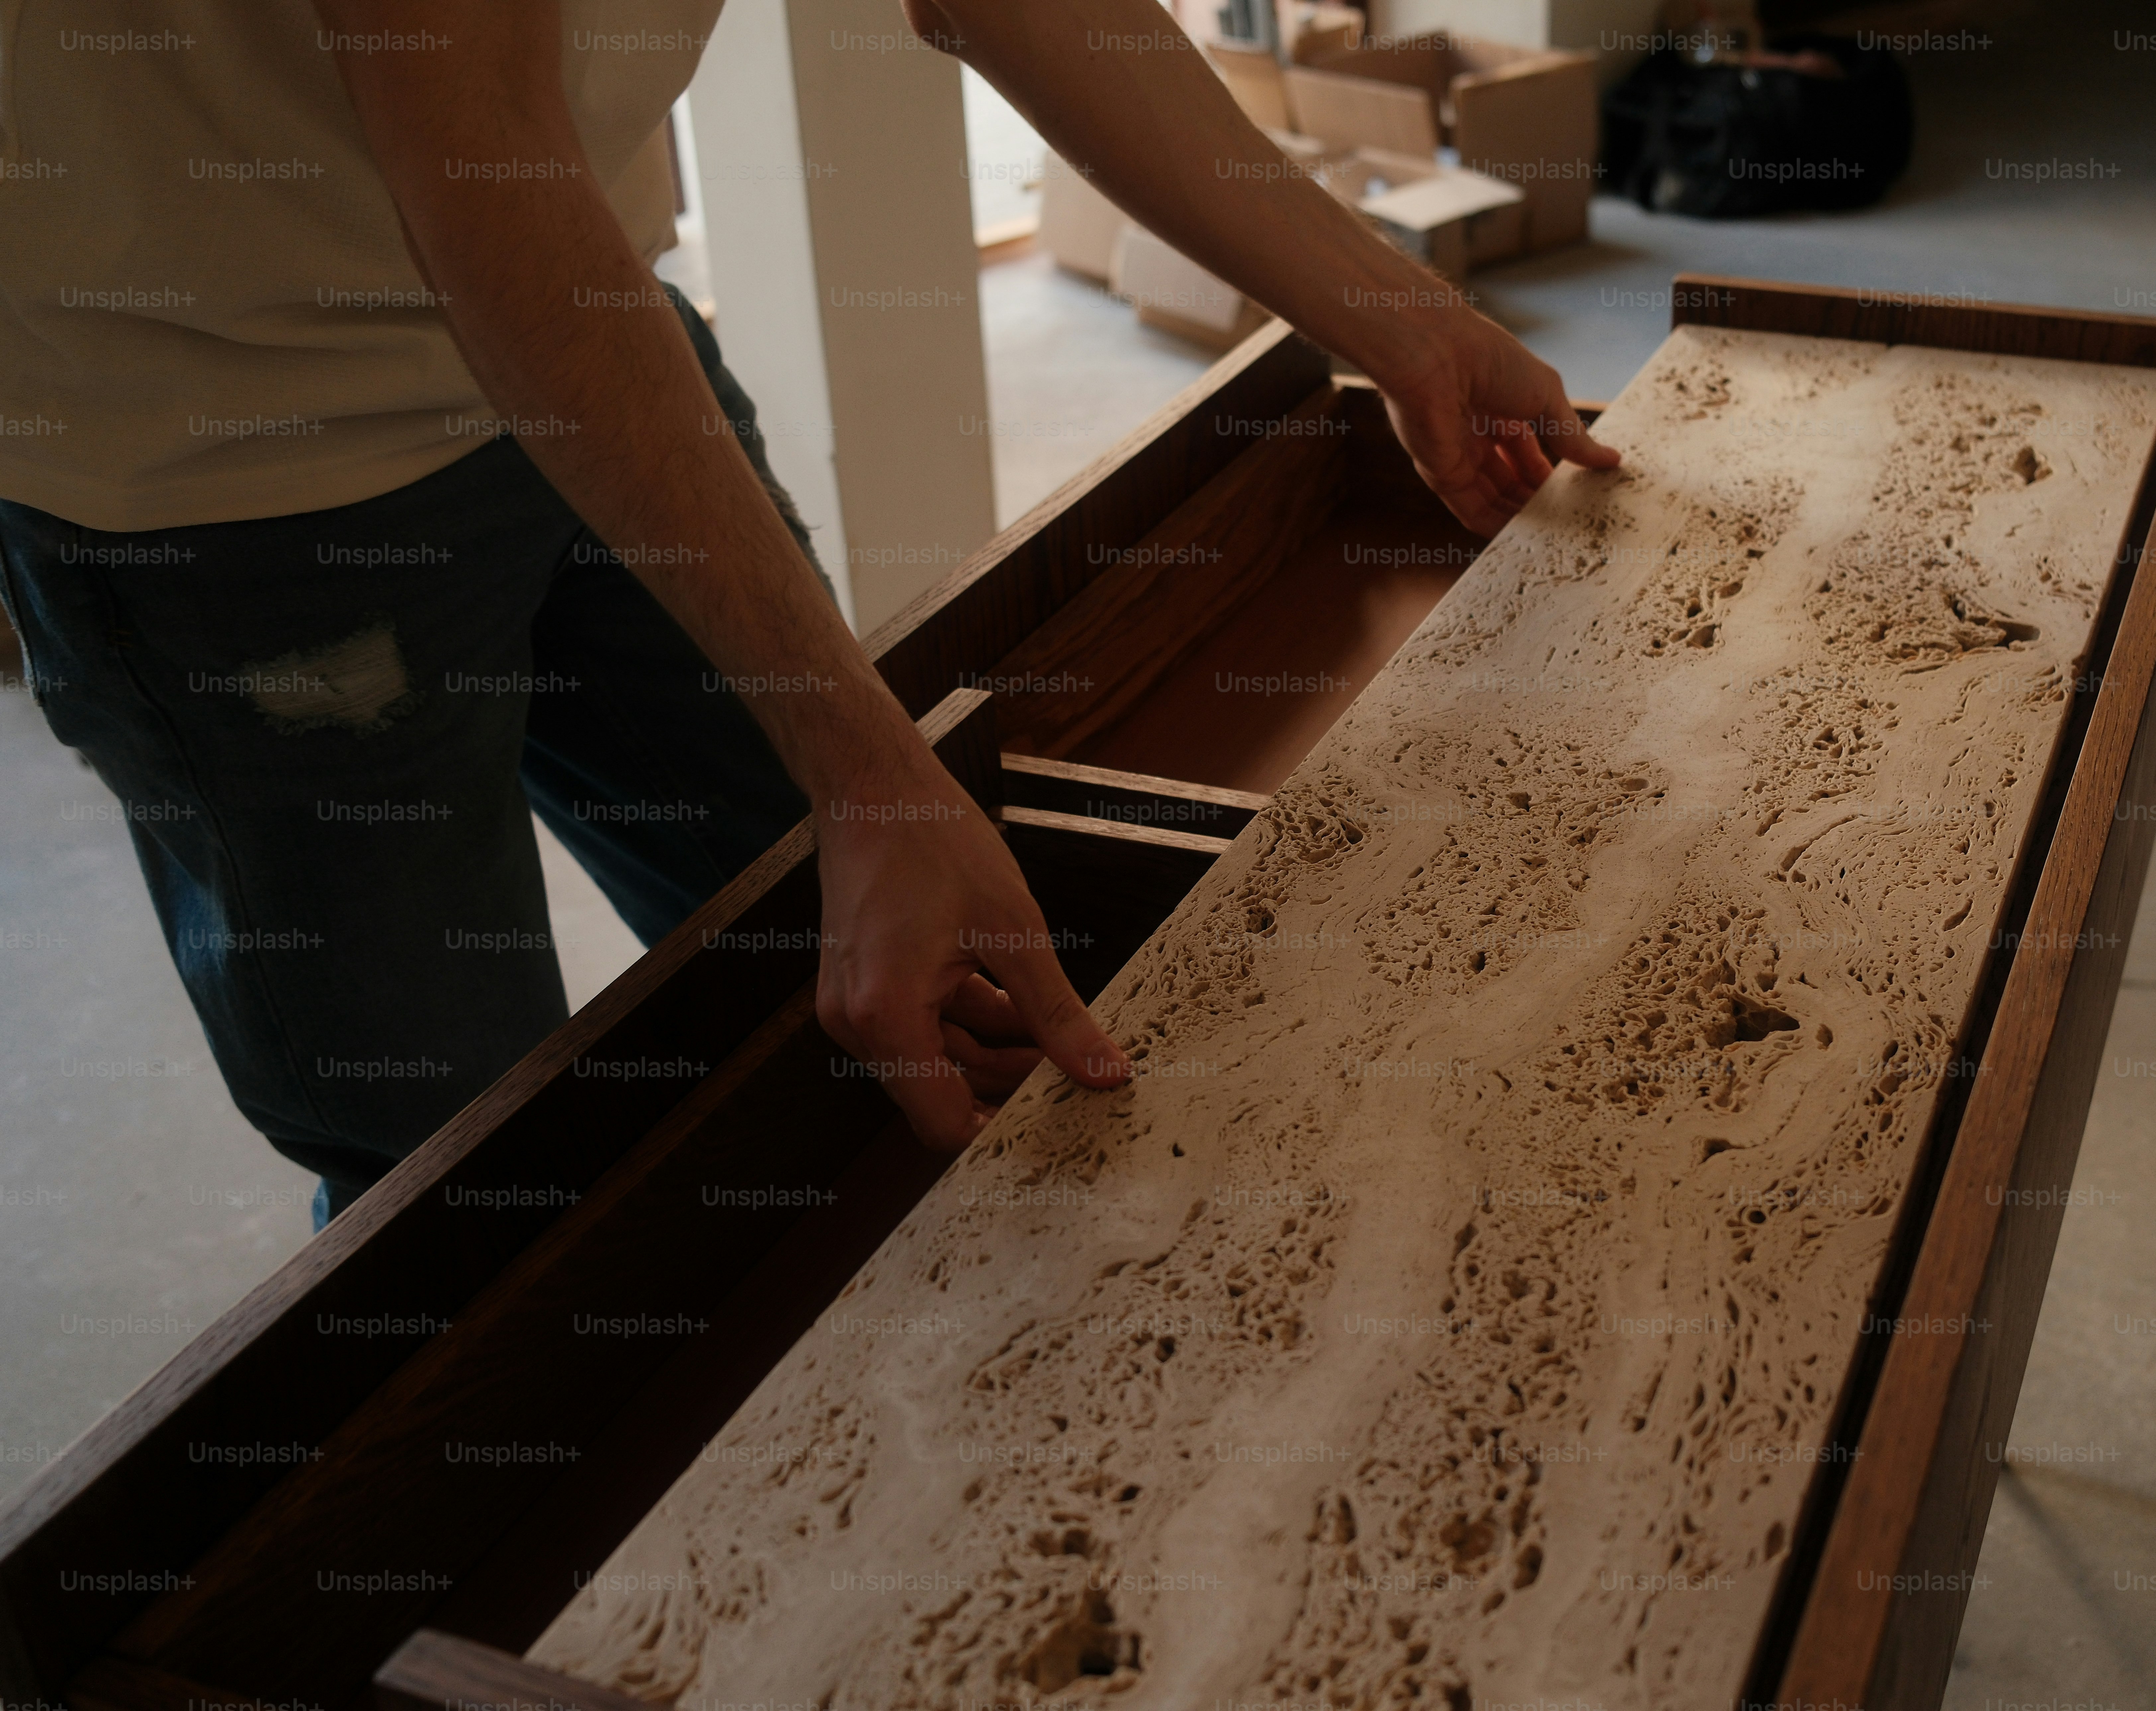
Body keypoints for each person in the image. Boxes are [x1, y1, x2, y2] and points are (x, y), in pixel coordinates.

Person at [0, 0, 1619, 1227]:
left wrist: (1400, 318)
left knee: (850, 948)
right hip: (231, 466)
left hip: (593, 323)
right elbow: (474, 175)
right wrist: (868, 762)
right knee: (456, 1155)